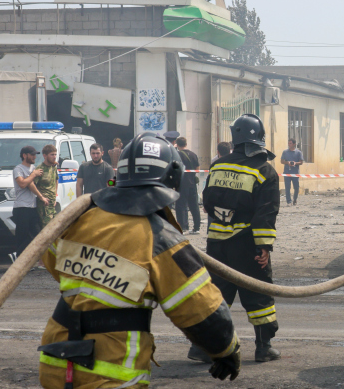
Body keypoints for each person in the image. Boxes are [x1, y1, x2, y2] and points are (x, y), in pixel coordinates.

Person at [37, 132, 241, 388]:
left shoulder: (83, 218)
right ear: (173, 176)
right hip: (111, 374)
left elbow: (52, 259)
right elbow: (203, 312)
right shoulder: (162, 239)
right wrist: (226, 350)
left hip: (56, 363)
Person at [189, 113, 281, 363]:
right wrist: (264, 247)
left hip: (217, 244)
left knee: (216, 294)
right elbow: (266, 213)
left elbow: (206, 201)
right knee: (259, 294)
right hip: (247, 244)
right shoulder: (264, 171)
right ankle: (264, 348)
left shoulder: (218, 165)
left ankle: (201, 347)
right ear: (259, 138)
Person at [11, 146, 43, 263]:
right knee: (23, 236)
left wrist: (41, 197)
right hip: (21, 207)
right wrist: (33, 175)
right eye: (32, 154)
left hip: (32, 207)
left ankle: (21, 257)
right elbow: (23, 184)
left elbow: (33, 185)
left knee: (36, 234)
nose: (34, 157)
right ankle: (19, 258)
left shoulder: (34, 168)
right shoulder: (18, 169)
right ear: (24, 155)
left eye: (35, 154)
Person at [175, 136, 201, 233]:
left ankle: (183, 227)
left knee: (181, 206)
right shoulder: (193, 154)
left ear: (177, 145)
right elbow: (197, 169)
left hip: (181, 184)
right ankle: (196, 228)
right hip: (192, 183)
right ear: (186, 143)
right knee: (194, 206)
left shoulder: (177, 154)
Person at [33, 144, 59, 228]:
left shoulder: (53, 167)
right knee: (47, 229)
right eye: (52, 154)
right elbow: (32, 185)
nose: (54, 157)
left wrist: (55, 196)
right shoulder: (40, 169)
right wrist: (41, 197)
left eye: (55, 154)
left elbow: (56, 180)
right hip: (44, 205)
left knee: (56, 227)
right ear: (44, 155)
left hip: (52, 203)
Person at [280, 138, 304, 206]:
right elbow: (282, 161)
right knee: (287, 188)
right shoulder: (285, 152)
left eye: (290, 143)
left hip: (295, 173)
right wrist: (287, 162)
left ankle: (295, 199)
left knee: (296, 187)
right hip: (287, 172)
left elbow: (301, 162)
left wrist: (295, 163)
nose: (289, 144)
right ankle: (289, 201)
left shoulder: (298, 152)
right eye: (288, 143)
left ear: (294, 144)